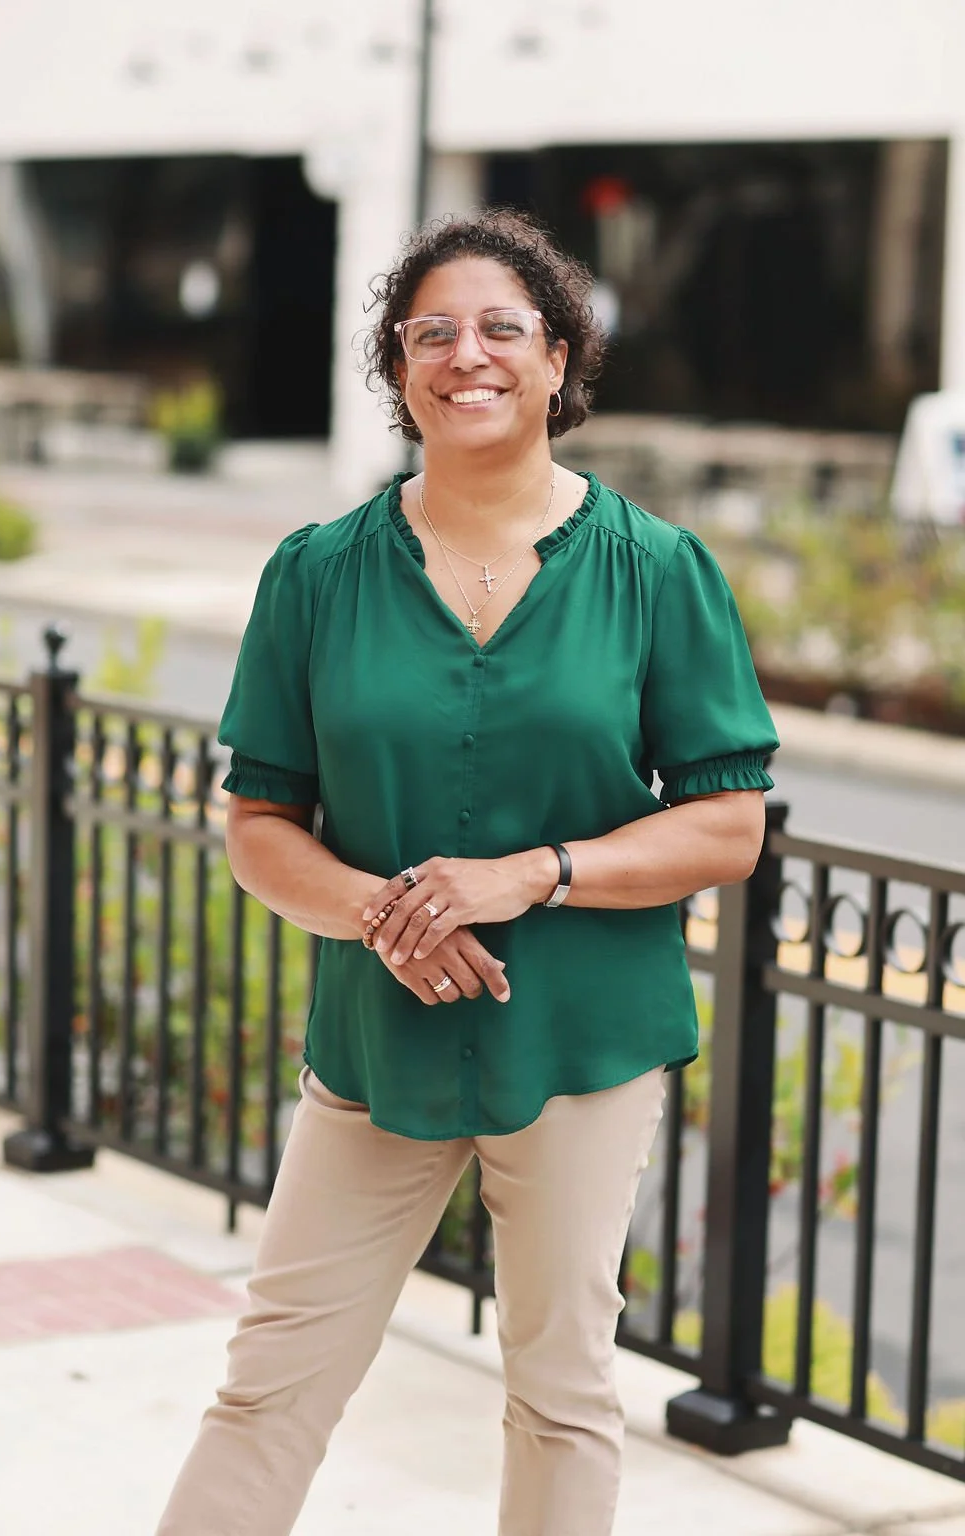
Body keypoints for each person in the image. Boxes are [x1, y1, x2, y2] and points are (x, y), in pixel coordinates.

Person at [155, 208, 778, 1536]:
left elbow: (728, 825)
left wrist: (530, 875)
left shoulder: (657, 572)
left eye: (502, 328)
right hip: (377, 1043)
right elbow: (260, 821)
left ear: (559, 361)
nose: (466, 354)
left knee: (560, 1395)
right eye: (429, 331)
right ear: (398, 369)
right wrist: (386, 913)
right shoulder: (318, 575)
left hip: (583, 1041)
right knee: (271, 1387)